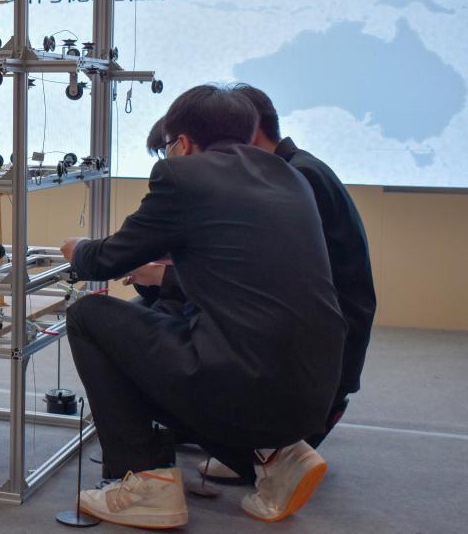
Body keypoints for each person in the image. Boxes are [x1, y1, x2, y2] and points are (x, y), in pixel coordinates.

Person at [60, 85, 346, 528]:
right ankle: (277, 456)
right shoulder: (288, 176)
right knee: (167, 322)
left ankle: (145, 483)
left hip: (246, 384)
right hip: (314, 393)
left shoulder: (181, 177)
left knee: (88, 317)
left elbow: (107, 259)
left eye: (168, 147)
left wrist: (77, 248)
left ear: (183, 143)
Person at [190, 84, 377, 481]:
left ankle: (272, 443)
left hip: (320, 351)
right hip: (321, 338)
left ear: (251, 129)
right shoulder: (295, 169)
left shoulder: (296, 177)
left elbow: (270, 277)